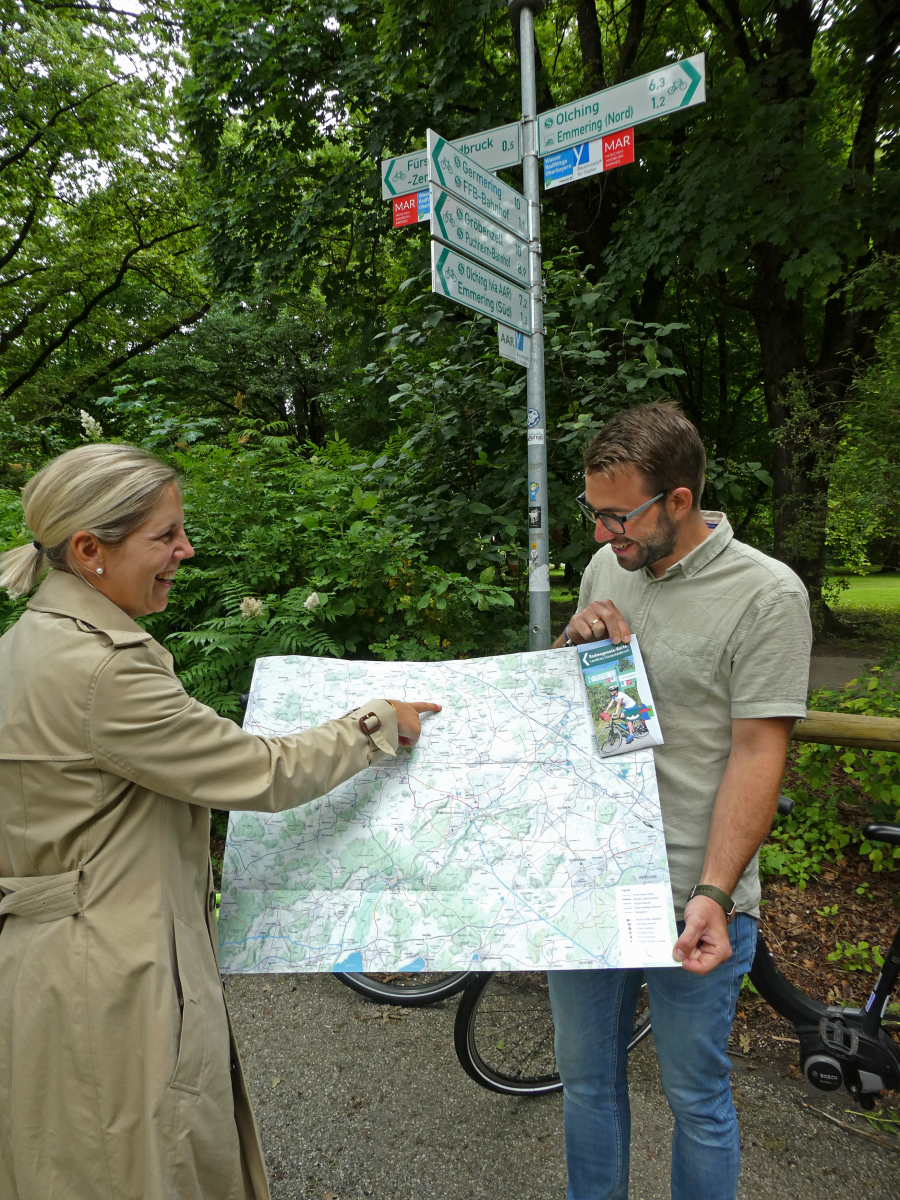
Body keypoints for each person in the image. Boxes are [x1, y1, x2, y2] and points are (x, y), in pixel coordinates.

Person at [0, 443, 440, 1200]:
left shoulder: (27, 644)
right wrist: (375, 724)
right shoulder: (106, 669)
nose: (185, 550)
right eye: (165, 535)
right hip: (114, 980)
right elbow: (261, 771)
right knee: (139, 1166)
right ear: (89, 550)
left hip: (53, 967)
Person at [551, 401, 812, 1200]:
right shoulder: (610, 569)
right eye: (593, 515)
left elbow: (757, 750)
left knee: (696, 1097)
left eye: (617, 516)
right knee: (586, 1086)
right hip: (596, 878)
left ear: (679, 501)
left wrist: (715, 891)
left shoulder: (766, 594)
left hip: (693, 895)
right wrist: (575, 645)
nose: (602, 536)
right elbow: (601, 717)